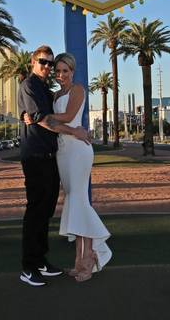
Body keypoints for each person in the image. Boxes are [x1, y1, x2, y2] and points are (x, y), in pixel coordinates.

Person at [18, 45, 90, 287]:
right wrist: (73, 131)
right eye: (44, 62)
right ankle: (29, 267)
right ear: (32, 62)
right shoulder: (29, 85)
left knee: (46, 210)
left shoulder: (48, 91)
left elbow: (47, 115)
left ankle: (40, 261)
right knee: (36, 210)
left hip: (52, 155)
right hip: (35, 155)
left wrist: (31, 116)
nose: (48, 67)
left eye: (51, 64)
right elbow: (44, 119)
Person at [50, 52, 112, 282]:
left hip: (78, 151)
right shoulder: (56, 94)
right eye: (57, 71)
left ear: (72, 72)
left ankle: (90, 258)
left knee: (79, 201)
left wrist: (42, 117)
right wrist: (47, 121)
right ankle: (79, 260)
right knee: (74, 201)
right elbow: (53, 125)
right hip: (62, 153)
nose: (61, 75)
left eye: (65, 71)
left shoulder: (78, 90)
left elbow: (67, 117)